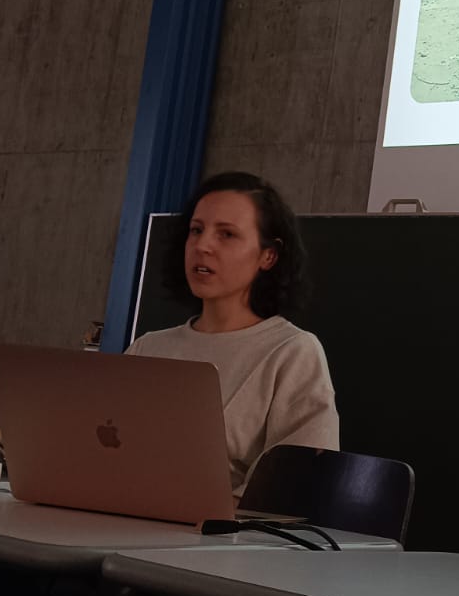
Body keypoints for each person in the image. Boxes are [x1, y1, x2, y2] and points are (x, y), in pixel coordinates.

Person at [128, 172, 338, 497]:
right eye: (196, 230)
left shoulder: (292, 351)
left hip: (219, 526)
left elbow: (298, 482)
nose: (202, 246)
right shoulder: (148, 347)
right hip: (123, 511)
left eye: (226, 234)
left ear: (268, 255)